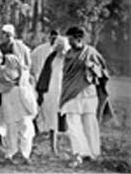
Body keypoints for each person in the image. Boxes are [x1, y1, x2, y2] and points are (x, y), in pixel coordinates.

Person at [59, 27, 109, 167]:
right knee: (74, 126)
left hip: (88, 94)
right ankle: (78, 154)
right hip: (71, 94)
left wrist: (92, 66)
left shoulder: (91, 52)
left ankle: (93, 154)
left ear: (78, 38)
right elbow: (66, 74)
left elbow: (103, 72)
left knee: (90, 125)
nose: (69, 42)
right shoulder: (68, 54)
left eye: (70, 39)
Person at [0, 54, 38, 165]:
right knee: (25, 135)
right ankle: (24, 155)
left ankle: (10, 154)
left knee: (11, 135)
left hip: (9, 110)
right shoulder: (20, 79)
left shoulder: (2, 75)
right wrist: (33, 112)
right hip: (22, 112)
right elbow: (28, 100)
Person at [35, 36, 71, 154]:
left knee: (68, 119)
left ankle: (73, 148)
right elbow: (44, 75)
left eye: (62, 48)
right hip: (51, 91)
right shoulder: (51, 58)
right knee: (52, 121)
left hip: (64, 92)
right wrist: (40, 92)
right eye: (59, 47)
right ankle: (53, 147)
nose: (61, 50)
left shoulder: (69, 59)